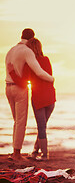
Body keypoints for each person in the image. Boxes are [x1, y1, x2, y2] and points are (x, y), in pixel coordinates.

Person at [5, 28, 54, 160]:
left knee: (16, 121)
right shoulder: (27, 51)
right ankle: (17, 153)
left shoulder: (10, 50)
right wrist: (51, 78)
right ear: (32, 39)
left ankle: (20, 151)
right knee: (21, 122)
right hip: (19, 88)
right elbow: (38, 72)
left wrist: (11, 73)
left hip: (8, 87)